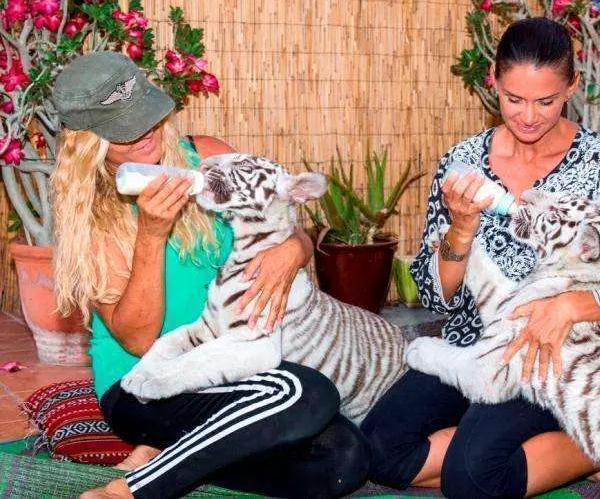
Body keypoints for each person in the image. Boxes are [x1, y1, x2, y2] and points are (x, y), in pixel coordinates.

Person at [361, 18, 600, 498]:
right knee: (380, 451)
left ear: (572, 85)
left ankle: (596, 444)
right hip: (473, 344)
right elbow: (436, 293)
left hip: (557, 358)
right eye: (514, 99)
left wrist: (571, 306)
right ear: (493, 80)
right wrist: (463, 227)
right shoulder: (461, 161)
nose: (529, 116)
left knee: (471, 481)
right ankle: (528, 442)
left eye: (546, 101)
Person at [50, 51, 369, 499]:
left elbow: (279, 210)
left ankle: (176, 453)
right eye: (124, 129)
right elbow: (138, 341)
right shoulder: (91, 217)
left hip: (226, 360)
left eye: (146, 116)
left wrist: (294, 249)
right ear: (88, 142)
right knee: (304, 391)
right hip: (145, 381)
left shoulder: (208, 157)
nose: (144, 134)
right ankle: (131, 490)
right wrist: (151, 234)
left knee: (346, 458)